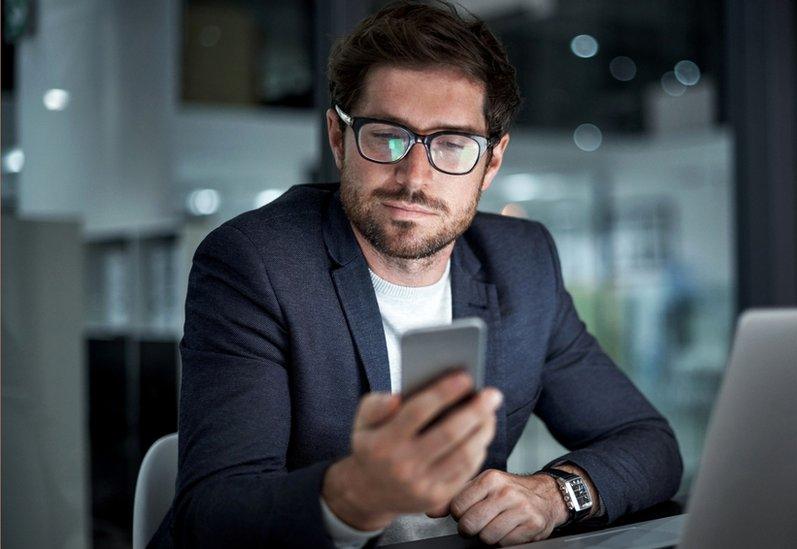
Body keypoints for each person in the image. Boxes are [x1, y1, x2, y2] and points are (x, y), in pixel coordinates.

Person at [156, 1, 682, 547]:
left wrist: (555, 495)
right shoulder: (256, 262)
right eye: (387, 136)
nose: (414, 177)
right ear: (339, 140)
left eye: (452, 144)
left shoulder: (523, 263)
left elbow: (647, 443)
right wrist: (357, 495)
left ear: (491, 162)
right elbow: (212, 515)